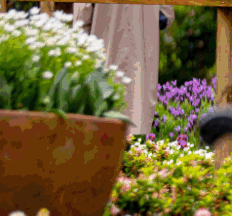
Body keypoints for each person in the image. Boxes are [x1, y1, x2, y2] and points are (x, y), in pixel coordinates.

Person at [73, 3, 175, 137]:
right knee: (136, 115)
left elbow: (81, 18)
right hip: (139, 57)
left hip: (103, 52)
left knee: (101, 126)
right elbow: (166, 16)